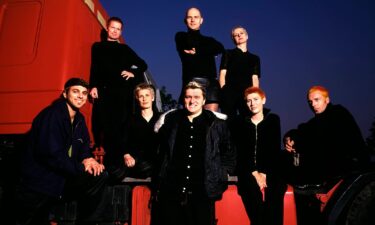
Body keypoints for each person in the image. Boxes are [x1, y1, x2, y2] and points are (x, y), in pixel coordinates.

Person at [16, 78, 107, 225]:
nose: (80, 96)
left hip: (62, 179)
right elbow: (50, 155)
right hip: (40, 184)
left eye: (84, 93)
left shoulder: (79, 119)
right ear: (65, 94)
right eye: (75, 91)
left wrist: (88, 159)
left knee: (99, 175)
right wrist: (81, 167)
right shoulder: (51, 115)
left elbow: (83, 147)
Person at [153, 81, 236, 225]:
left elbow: (229, 152)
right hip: (172, 190)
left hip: (203, 191)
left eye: (196, 97)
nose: (192, 101)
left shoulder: (217, 124)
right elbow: (159, 149)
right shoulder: (172, 121)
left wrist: (222, 173)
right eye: (188, 97)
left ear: (204, 100)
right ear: (183, 99)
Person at [283, 85, 368, 225]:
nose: (313, 105)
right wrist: (289, 138)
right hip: (328, 167)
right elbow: (303, 129)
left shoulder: (338, 113)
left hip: (346, 167)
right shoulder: (317, 120)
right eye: (310, 102)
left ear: (327, 100)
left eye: (317, 100)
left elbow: (318, 134)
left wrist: (298, 138)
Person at [89, 16, 148, 171]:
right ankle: (108, 164)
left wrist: (132, 73)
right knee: (104, 126)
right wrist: (93, 86)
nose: (115, 31)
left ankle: (120, 161)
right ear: (107, 28)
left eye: (118, 29)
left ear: (121, 32)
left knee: (120, 125)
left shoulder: (125, 49)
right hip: (104, 91)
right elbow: (94, 68)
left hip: (122, 93)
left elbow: (143, 64)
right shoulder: (97, 47)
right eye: (112, 28)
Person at [233, 87, 286, 225]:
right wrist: (255, 173)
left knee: (277, 188)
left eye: (255, 99)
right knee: (249, 188)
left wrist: (264, 173)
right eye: (249, 101)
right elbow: (242, 151)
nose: (252, 103)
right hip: (248, 168)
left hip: (270, 167)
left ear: (263, 100)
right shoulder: (241, 122)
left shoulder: (273, 119)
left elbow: (273, 148)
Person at [175, 7, 224, 111]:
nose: (193, 20)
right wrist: (208, 52)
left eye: (196, 17)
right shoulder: (181, 36)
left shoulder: (209, 40)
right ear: (185, 20)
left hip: (211, 83)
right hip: (191, 81)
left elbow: (220, 48)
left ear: (201, 20)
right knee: (192, 121)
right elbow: (190, 43)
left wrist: (197, 52)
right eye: (190, 17)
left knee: (211, 121)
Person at [110, 83, 161, 181]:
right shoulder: (130, 120)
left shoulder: (160, 118)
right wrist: (126, 155)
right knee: (115, 173)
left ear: (153, 98)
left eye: (147, 95)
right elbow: (122, 141)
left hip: (152, 160)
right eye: (141, 96)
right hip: (133, 159)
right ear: (137, 99)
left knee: (145, 168)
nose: (144, 99)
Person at [219, 26, 261, 120]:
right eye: (235, 35)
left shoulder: (254, 58)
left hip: (247, 94)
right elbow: (222, 74)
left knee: (247, 120)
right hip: (229, 93)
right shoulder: (228, 53)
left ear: (247, 36)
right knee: (228, 121)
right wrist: (223, 92)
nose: (239, 35)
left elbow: (255, 79)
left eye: (241, 33)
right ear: (233, 39)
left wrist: (255, 96)